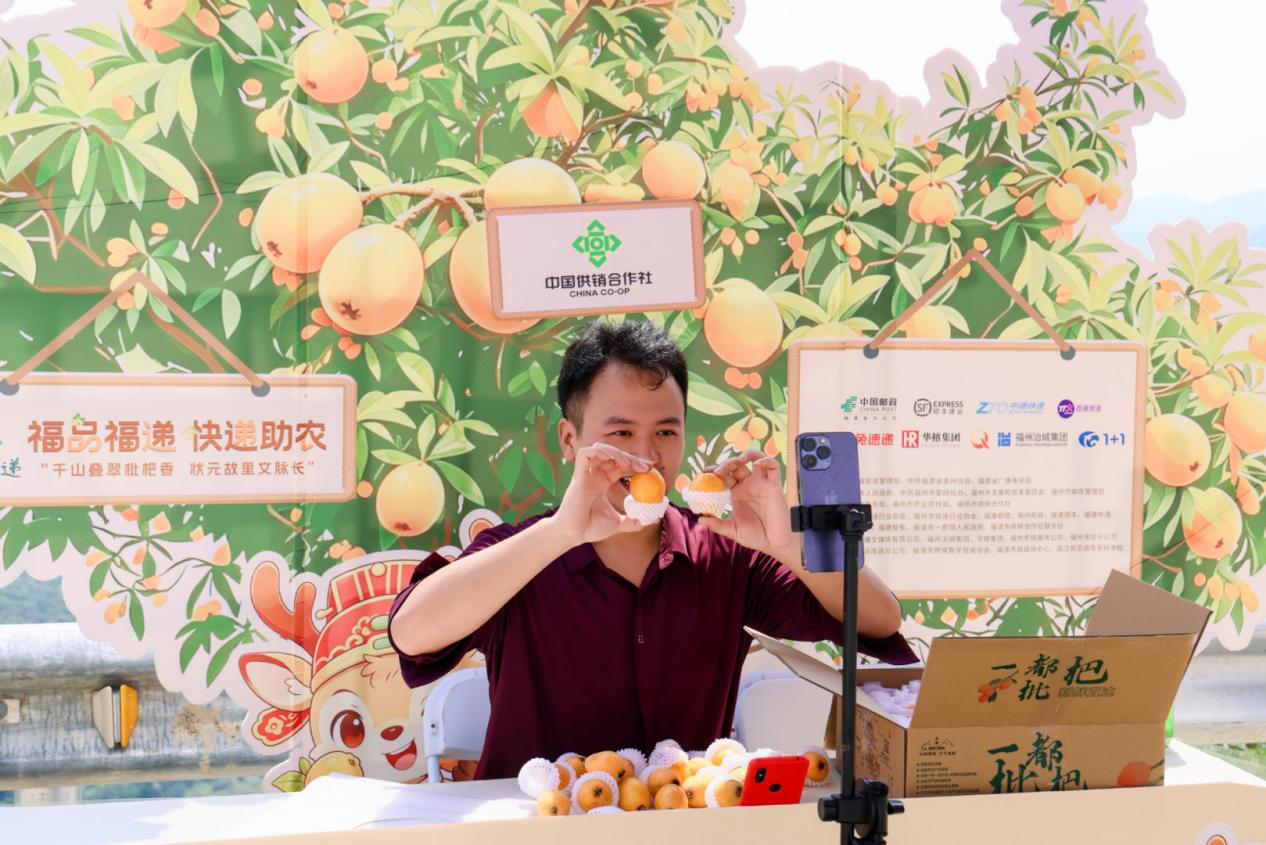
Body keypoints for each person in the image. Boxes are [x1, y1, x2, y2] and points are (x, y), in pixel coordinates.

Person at [387, 320, 915, 779]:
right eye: (621, 432)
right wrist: (560, 534)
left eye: (665, 431)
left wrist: (784, 543)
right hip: (540, 826)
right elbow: (411, 633)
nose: (646, 456)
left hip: (678, 822)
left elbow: (879, 620)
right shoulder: (521, 552)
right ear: (570, 440)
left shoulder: (722, 553)